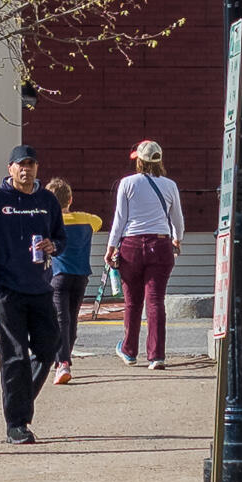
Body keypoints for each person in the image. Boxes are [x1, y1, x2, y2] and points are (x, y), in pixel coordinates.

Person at [0, 145, 68, 443]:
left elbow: (60, 238)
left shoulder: (47, 201)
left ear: (37, 168)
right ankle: (16, 424)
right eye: (20, 165)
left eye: (31, 164)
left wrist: (53, 246)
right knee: (14, 357)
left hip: (40, 288)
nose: (26, 169)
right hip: (8, 291)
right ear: (10, 169)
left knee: (49, 348)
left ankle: (21, 400)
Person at [110, 139, 186, 370]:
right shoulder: (170, 185)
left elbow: (120, 219)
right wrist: (177, 239)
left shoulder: (127, 183)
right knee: (155, 301)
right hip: (160, 243)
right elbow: (178, 219)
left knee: (132, 302)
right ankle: (156, 355)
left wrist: (111, 246)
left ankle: (129, 351)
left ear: (139, 161)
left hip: (131, 245)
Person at [44, 177, 104, 387]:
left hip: (58, 276)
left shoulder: (50, 224)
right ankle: (64, 359)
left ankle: (62, 363)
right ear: (70, 199)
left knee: (60, 319)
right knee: (72, 318)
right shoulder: (86, 220)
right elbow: (99, 221)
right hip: (81, 277)